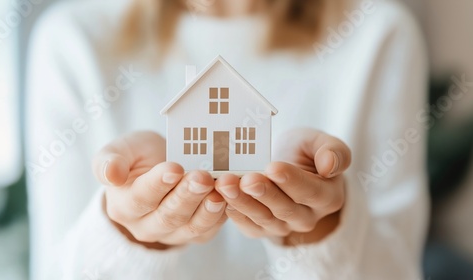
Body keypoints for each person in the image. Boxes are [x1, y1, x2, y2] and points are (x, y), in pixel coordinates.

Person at [25, 0, 429, 279]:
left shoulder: (380, 34)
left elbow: (398, 271)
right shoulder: (70, 41)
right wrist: (128, 237)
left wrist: (321, 235)